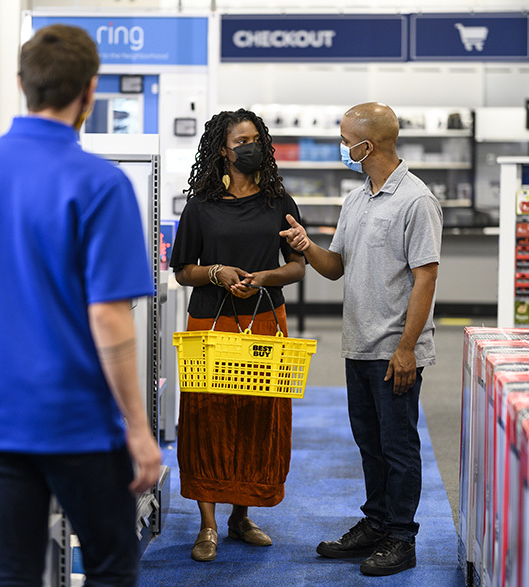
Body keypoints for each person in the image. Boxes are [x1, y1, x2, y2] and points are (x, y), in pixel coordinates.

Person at [0, 24, 161, 587]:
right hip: (79, 421)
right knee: (111, 566)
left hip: (3, 417)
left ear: (20, 84)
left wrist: (4, 361)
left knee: (13, 569)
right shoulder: (101, 183)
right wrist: (139, 429)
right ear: (90, 91)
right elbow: (108, 316)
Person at [280, 102, 442, 577]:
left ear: (366, 145)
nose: (342, 147)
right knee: (369, 444)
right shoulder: (355, 200)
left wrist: (407, 348)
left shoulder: (416, 200)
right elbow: (336, 268)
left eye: (346, 139)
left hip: (396, 350)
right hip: (358, 346)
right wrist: (307, 247)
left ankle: (400, 537)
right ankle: (375, 524)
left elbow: (426, 278)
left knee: (398, 446)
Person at [170, 108, 306, 562]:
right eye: (240, 141)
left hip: (265, 321)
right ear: (222, 151)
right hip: (211, 323)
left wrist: (264, 277)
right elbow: (183, 270)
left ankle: (240, 515)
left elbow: (297, 265)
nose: (250, 147)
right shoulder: (200, 206)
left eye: (255, 139)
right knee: (209, 417)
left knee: (256, 414)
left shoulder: (278, 202)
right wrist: (217, 273)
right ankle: (207, 525)